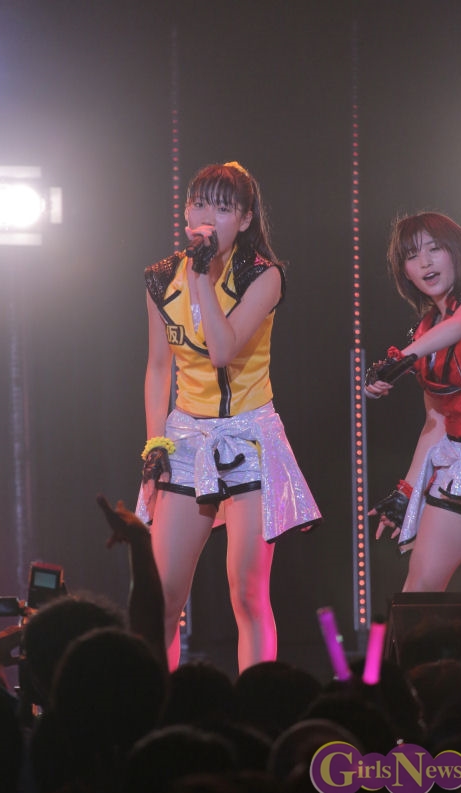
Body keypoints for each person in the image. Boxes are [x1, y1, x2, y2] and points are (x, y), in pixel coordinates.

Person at [136, 160, 321, 672]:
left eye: (222, 208)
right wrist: (155, 444)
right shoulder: (159, 278)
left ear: (244, 220)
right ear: (185, 212)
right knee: (163, 597)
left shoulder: (263, 276)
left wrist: (200, 278)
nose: (207, 217)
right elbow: (157, 367)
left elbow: (221, 351)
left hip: (249, 435)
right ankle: (160, 705)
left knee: (246, 591)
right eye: (199, 204)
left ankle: (257, 705)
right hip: (185, 434)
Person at [366, 211, 461, 592]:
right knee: (419, 590)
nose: (424, 262)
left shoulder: (435, 333)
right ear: (405, 272)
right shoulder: (425, 332)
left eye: (434, 249)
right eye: (412, 256)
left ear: (457, 251)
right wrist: (406, 492)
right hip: (460, 467)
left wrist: (398, 361)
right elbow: (435, 422)